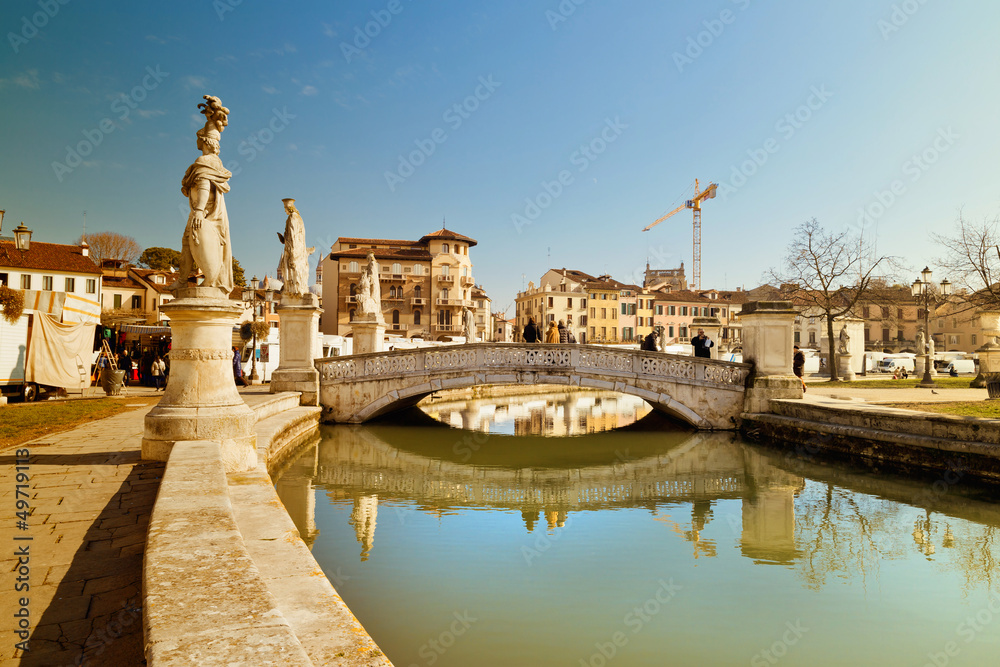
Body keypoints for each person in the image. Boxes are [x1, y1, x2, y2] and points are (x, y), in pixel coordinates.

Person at [171, 96, 234, 293]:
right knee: (187, 243)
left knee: (194, 241)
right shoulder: (209, 161)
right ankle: (182, 280)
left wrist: (198, 210)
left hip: (205, 214)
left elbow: (205, 185)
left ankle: (211, 279)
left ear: (204, 141)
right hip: (201, 213)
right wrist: (211, 116)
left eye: (199, 138)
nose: (197, 141)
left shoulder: (205, 162)